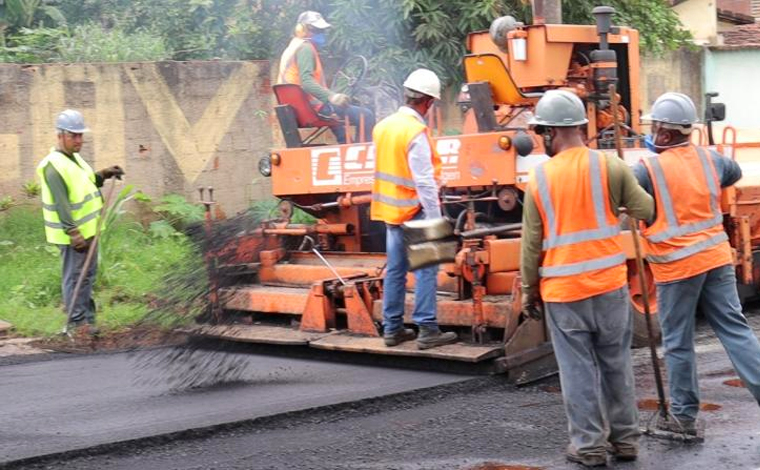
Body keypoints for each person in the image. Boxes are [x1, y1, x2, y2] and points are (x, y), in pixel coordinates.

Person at [520, 90, 654, 466]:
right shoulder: (610, 166)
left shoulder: (540, 178)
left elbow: (531, 244)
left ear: (551, 133)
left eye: (541, 132)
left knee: (577, 371)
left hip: (564, 293)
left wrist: (529, 292)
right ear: (580, 127)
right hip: (609, 287)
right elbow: (646, 209)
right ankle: (626, 441)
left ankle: (590, 447)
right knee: (616, 363)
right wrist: (620, 205)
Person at [633, 92, 760, 435]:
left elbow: (625, 198)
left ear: (665, 132)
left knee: (678, 341)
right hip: (716, 259)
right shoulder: (711, 160)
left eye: (656, 127)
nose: (652, 132)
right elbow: (732, 172)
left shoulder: (647, 169)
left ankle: (683, 418)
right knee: (736, 331)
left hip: (677, 269)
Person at [370, 68, 457, 350]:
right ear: (428, 102)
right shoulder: (416, 132)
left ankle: (392, 329)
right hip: (416, 210)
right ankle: (427, 329)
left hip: (391, 212)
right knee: (427, 269)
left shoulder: (382, 126)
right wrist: (435, 219)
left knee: (395, 270)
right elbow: (424, 180)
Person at [36, 109, 124, 334]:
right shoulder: (53, 166)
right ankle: (76, 325)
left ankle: (87, 320)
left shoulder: (74, 159)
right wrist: (73, 233)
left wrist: (103, 174)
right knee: (76, 277)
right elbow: (61, 203)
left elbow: (85, 182)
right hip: (74, 235)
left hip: (89, 230)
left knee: (87, 276)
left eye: (80, 135)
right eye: (73, 135)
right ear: (60, 135)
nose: (79, 140)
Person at [278, 10, 375, 144]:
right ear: (302, 29)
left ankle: (349, 147)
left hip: (298, 110)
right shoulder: (305, 48)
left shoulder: (292, 47)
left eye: (321, 30)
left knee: (339, 126)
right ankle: (362, 154)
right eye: (316, 30)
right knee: (366, 115)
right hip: (315, 109)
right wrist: (332, 96)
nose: (320, 34)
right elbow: (306, 82)